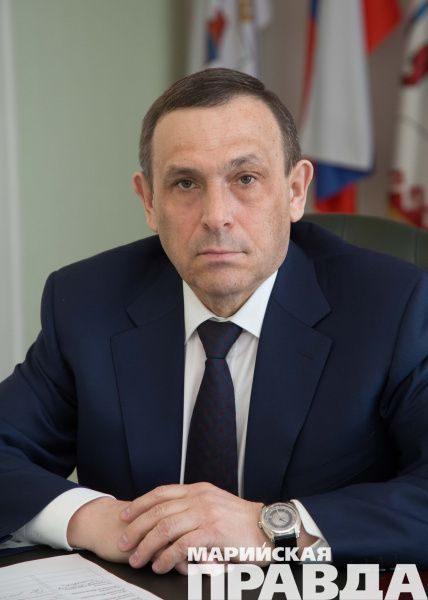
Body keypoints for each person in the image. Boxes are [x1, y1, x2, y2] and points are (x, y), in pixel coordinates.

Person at [1, 68, 428, 574]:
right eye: (185, 183)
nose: (216, 215)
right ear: (149, 201)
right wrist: (99, 521)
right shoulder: (87, 302)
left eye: (245, 179)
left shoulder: (392, 306)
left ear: (295, 190)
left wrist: (273, 528)